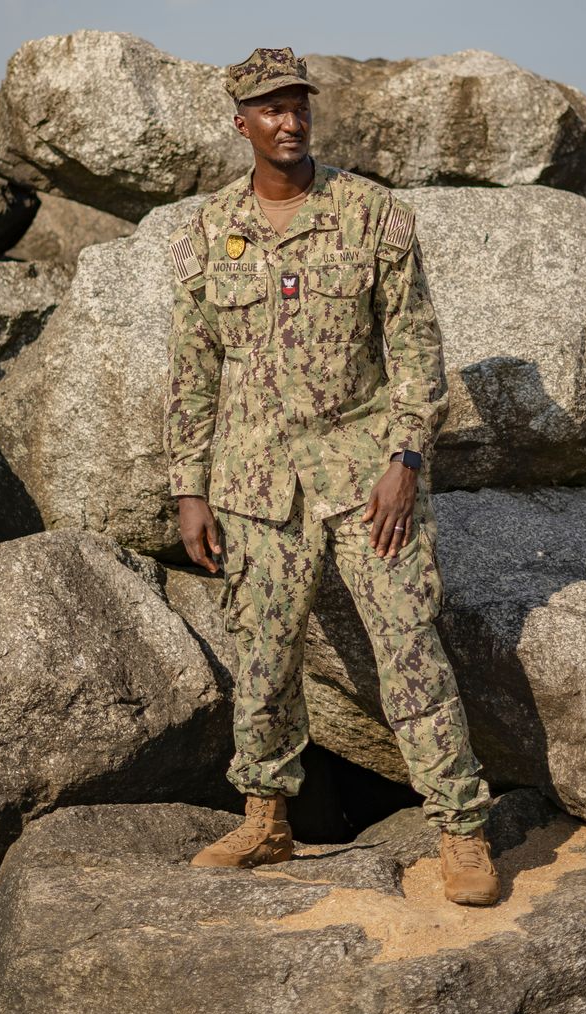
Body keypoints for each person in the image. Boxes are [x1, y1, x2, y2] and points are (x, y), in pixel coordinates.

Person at [164, 47, 499, 906]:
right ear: (241, 124)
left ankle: (460, 830)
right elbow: (193, 372)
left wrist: (406, 458)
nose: (289, 120)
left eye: (298, 105)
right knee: (264, 656)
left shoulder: (371, 215)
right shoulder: (206, 234)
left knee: (409, 647)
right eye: (269, 108)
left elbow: (418, 353)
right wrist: (188, 489)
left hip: (365, 480)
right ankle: (266, 818)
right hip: (254, 486)